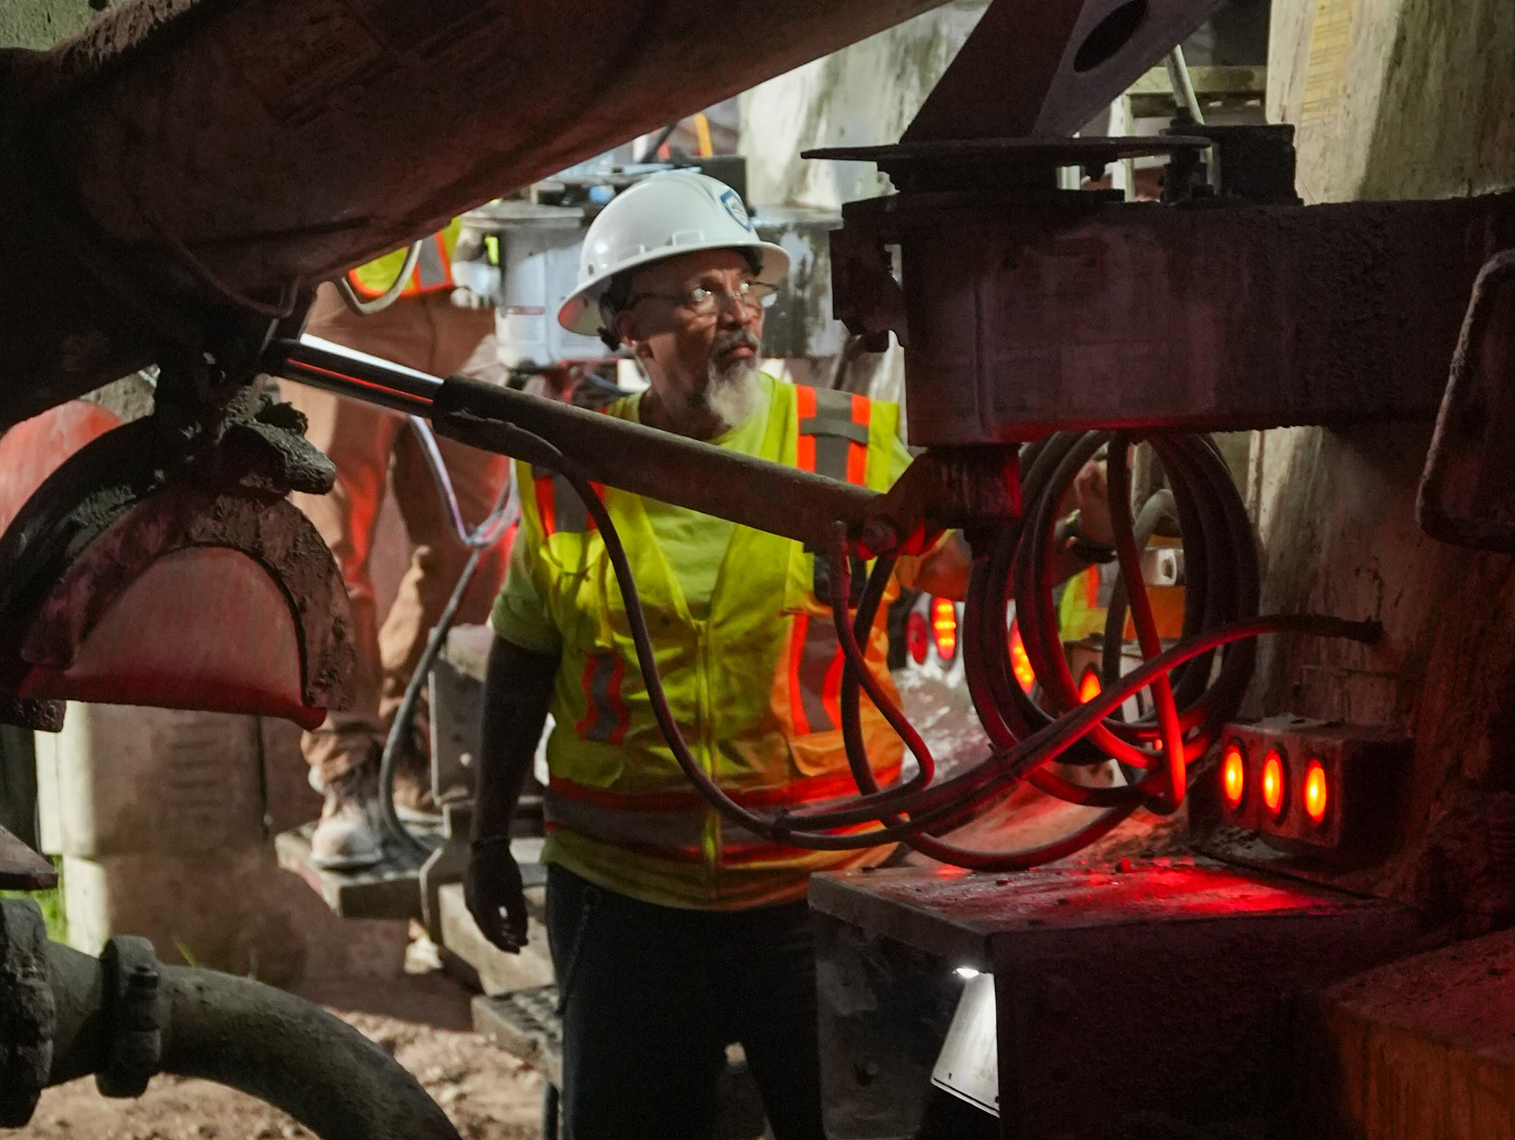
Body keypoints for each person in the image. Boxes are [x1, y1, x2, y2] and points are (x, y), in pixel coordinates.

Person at [460, 172, 1114, 1140]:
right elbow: (523, 654)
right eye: (696, 294)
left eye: (744, 288)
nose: (734, 316)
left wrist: (1089, 540)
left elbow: (973, 579)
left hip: (818, 887)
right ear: (622, 327)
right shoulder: (568, 470)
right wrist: (483, 842)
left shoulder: (852, 449)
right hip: (623, 895)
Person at [288, 221, 511, 870]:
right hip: (353, 290)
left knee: (479, 547)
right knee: (330, 553)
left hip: (472, 292)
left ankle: (406, 738)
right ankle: (347, 771)